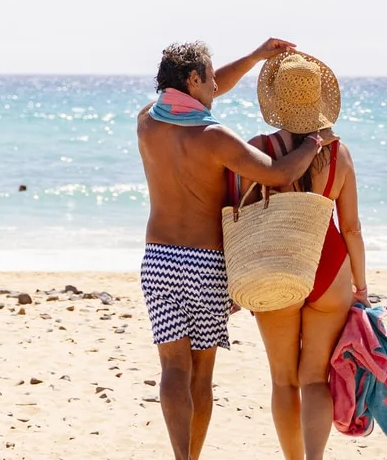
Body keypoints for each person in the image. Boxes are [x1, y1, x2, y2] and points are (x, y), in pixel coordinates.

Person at [136, 38, 334, 460]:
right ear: (193, 79)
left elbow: (204, 93)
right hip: (204, 264)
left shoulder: (146, 124)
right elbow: (278, 174)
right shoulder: (213, 137)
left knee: (172, 367)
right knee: (201, 373)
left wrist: (255, 57)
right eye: (208, 77)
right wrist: (311, 144)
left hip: (157, 260)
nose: (215, 85)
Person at [238, 51, 366, 460]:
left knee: (283, 381)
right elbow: (351, 228)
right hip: (330, 268)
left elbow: (240, 206)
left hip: (276, 263)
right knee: (315, 380)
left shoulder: (259, 148)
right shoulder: (340, 153)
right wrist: (361, 287)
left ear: (277, 101)